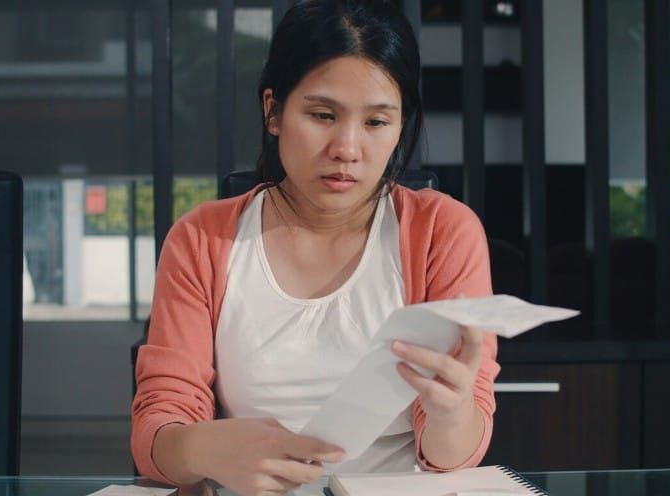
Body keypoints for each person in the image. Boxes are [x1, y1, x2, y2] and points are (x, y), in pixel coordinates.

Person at [131, 1, 501, 494]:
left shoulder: (442, 232)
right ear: (273, 111)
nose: (347, 148)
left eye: (376, 122)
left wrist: (452, 412)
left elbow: (452, 457)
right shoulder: (201, 239)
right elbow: (158, 430)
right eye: (323, 115)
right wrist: (203, 449)